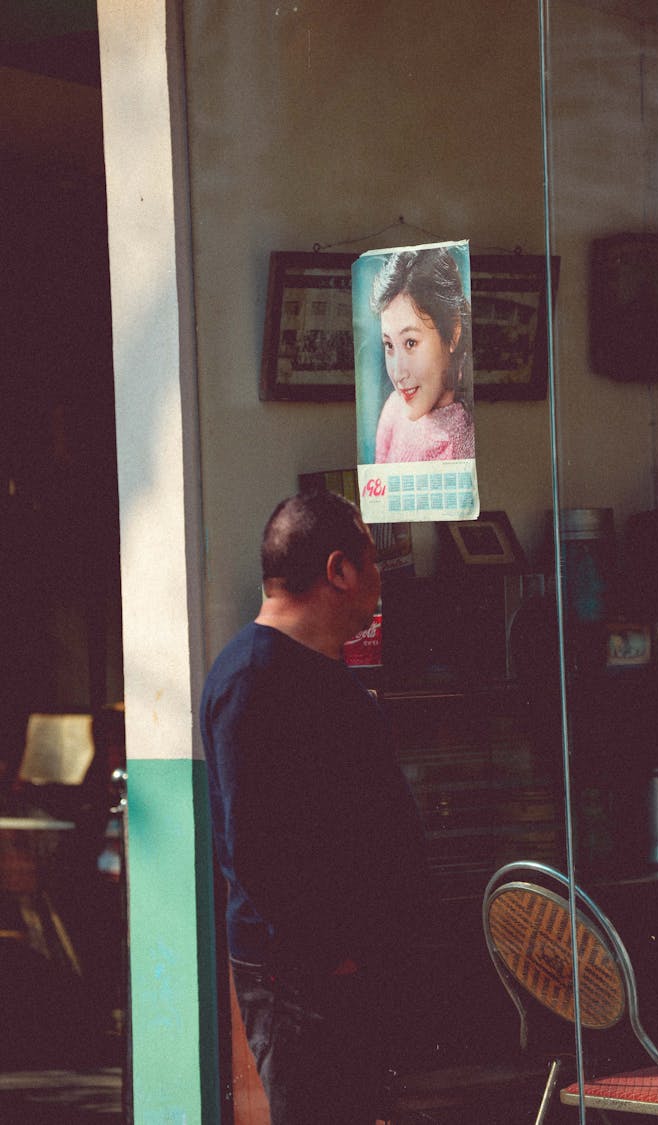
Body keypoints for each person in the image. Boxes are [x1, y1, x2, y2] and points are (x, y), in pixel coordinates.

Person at [200, 491, 430, 1125]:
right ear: (339, 571)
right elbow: (258, 849)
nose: (381, 583)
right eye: (373, 564)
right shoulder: (252, 678)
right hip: (306, 981)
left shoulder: (322, 667)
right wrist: (333, 957)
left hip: (352, 971)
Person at [371, 246, 475, 464]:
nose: (398, 373)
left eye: (411, 342)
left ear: (453, 332)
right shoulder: (394, 408)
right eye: (389, 345)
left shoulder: (464, 440)